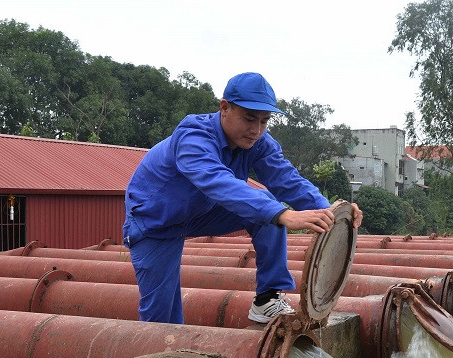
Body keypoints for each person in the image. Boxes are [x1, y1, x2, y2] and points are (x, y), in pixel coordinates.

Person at [123, 72, 363, 324]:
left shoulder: (258, 142)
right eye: (249, 119)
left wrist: (332, 213)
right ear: (224, 108)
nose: (256, 130)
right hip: (156, 222)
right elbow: (218, 182)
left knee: (267, 202)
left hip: (201, 213)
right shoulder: (194, 137)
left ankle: (267, 298)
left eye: (264, 121)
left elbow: (286, 180)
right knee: (162, 316)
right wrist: (283, 215)